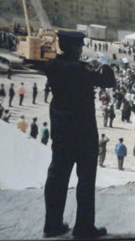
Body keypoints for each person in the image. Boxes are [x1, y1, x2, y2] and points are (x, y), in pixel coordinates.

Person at [42, 30, 115, 239]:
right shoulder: (80, 70)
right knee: (85, 180)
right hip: (83, 132)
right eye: (80, 46)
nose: (81, 49)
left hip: (62, 131)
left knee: (57, 177)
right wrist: (105, 64)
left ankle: (52, 224)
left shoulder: (52, 67)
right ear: (75, 48)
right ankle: (84, 228)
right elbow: (108, 82)